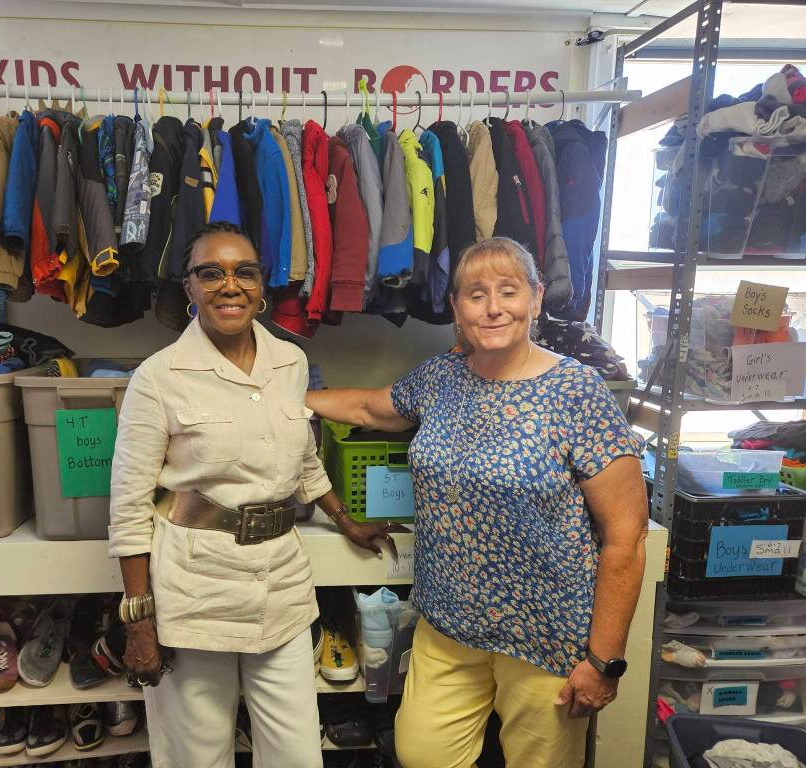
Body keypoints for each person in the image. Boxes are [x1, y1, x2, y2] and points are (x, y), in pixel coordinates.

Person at [307, 237, 648, 768]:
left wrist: (604, 661)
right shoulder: (441, 377)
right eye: (476, 294)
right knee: (422, 753)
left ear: (536, 297)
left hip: (545, 634)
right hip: (448, 624)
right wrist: (280, 396)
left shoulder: (578, 392)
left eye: (508, 291)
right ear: (456, 308)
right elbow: (370, 409)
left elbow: (626, 537)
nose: (493, 308)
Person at [107, 221, 405, 768]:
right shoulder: (159, 377)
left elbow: (304, 458)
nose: (230, 285)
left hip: (281, 584)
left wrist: (345, 519)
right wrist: (139, 620)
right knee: (198, 756)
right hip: (197, 590)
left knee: (297, 754)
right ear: (188, 286)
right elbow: (128, 505)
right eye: (210, 273)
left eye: (243, 272)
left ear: (261, 284)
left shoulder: (289, 362)